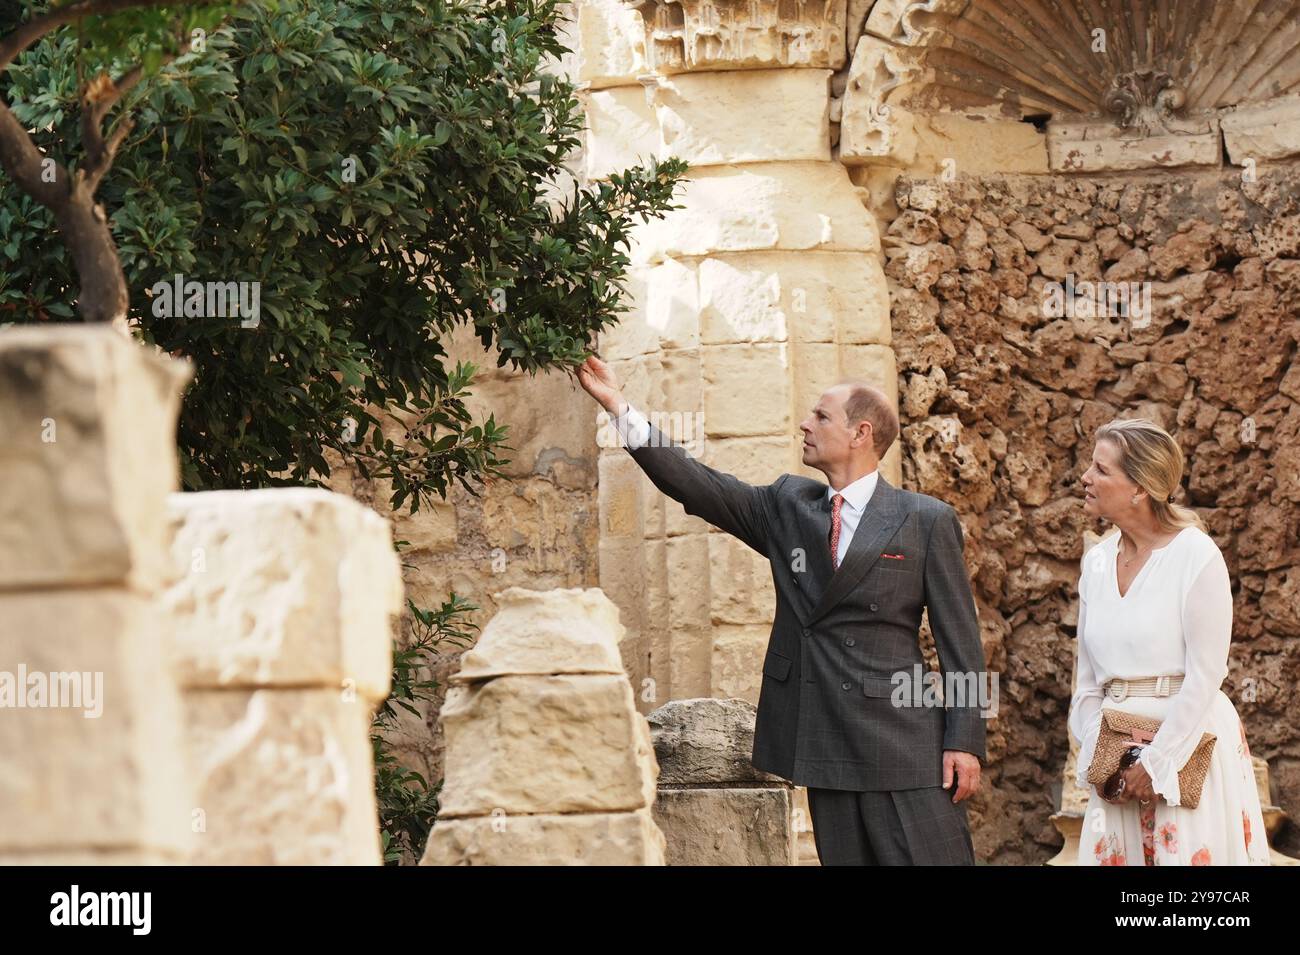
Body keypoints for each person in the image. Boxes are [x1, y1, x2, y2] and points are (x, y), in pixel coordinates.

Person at [577, 354, 987, 865]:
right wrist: (619, 407)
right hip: (824, 738)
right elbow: (695, 484)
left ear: (861, 433)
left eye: (820, 416)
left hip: (904, 743)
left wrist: (965, 742)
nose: (804, 424)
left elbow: (961, 643)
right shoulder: (788, 506)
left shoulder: (924, 519)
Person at [1069, 418, 1269, 866]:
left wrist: (1157, 763)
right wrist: (1104, 761)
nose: (1086, 477)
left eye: (1101, 470)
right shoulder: (1097, 562)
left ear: (1140, 488)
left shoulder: (1195, 555)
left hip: (1187, 749)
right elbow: (1085, 683)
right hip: (1116, 760)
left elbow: (1206, 674)